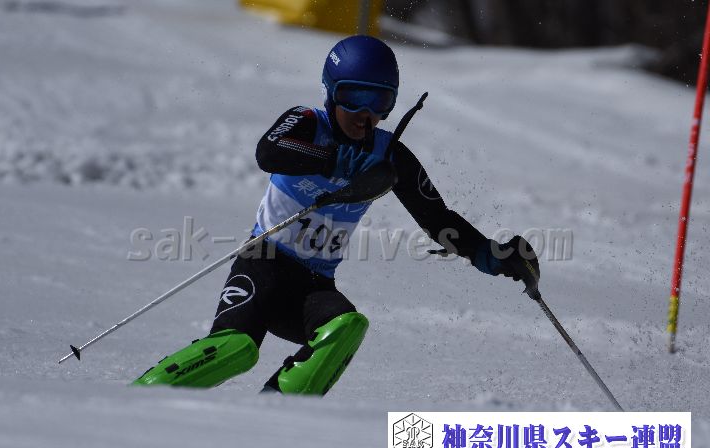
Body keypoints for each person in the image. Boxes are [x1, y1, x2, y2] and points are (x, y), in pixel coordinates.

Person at [133, 35, 539, 394]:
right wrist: (332, 160)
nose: (365, 114)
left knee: (345, 326)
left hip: (312, 285)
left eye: (379, 102)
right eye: (354, 97)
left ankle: (276, 411)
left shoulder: (389, 156)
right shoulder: (308, 122)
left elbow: (438, 219)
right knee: (234, 348)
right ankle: (139, 396)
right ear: (331, 92)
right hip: (262, 263)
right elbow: (269, 152)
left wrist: (491, 255)